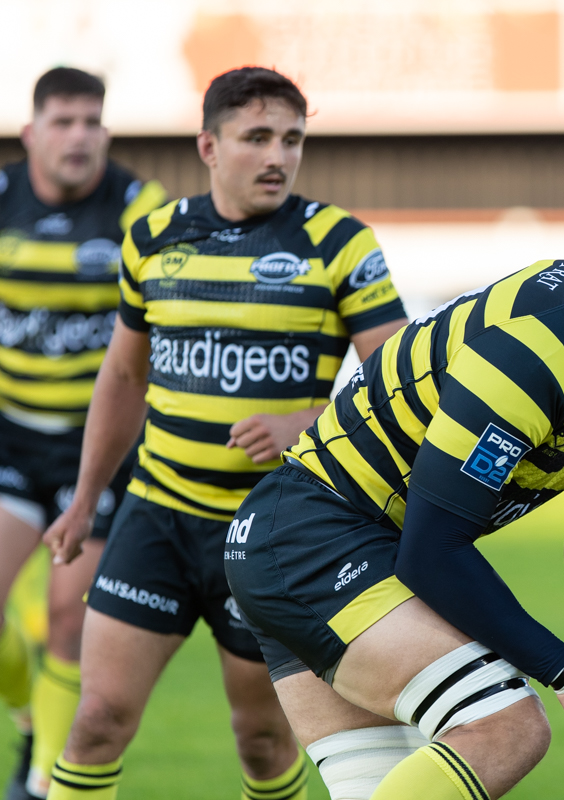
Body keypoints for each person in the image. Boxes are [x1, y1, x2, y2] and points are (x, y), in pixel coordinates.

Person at [223, 189, 564, 800]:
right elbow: (433, 551)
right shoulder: (536, 351)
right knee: (507, 727)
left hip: (349, 553)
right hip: (310, 541)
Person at [39, 67, 409, 800]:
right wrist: (84, 501)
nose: (278, 156)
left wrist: (305, 422)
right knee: (98, 720)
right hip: (157, 516)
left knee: (263, 740)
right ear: (209, 146)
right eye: (257, 137)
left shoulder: (338, 242)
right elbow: (123, 377)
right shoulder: (153, 238)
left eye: (292, 139)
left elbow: (400, 383)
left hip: (271, 532)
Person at [0, 67, 165, 800]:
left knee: (70, 620)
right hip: (10, 435)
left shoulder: (140, 209)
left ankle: (39, 784)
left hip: (96, 450)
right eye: (63, 122)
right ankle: (27, 714)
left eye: (92, 121)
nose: (79, 136)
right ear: (30, 133)